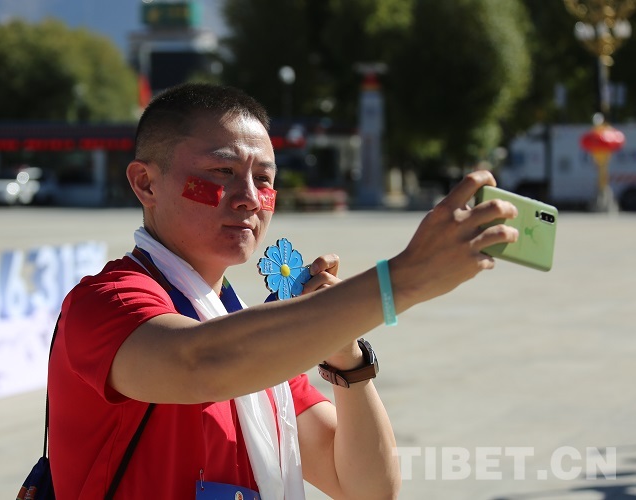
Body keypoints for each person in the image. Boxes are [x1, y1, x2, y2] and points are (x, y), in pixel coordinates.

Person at [47, 83, 518, 499]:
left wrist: (346, 355)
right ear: (145, 183)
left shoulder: (256, 350)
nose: (250, 198)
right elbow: (200, 363)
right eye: (222, 171)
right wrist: (400, 281)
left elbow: (366, 487)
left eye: (265, 179)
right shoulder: (107, 302)